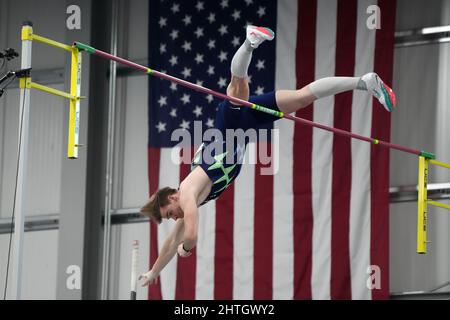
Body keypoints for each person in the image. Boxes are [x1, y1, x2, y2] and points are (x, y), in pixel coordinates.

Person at [138, 25, 396, 286]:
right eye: (171, 217)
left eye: (170, 213)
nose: (175, 217)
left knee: (238, 86)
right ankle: (364, 82)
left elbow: (190, 235)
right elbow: (172, 242)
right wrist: (153, 272)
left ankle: (250, 42)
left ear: (172, 197)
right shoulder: (189, 197)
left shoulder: (187, 194)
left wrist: (188, 249)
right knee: (301, 98)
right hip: (245, 127)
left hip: (229, 128)